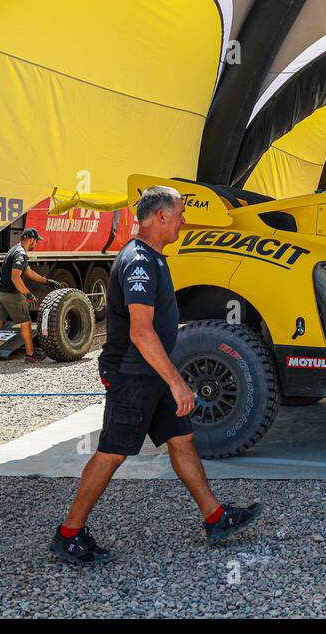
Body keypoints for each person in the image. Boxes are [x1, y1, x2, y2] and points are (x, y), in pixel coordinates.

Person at [51, 186, 261, 565]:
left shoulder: (155, 258)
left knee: (182, 439)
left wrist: (169, 378)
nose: (184, 219)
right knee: (112, 453)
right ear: (161, 216)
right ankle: (69, 533)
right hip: (132, 375)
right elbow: (140, 331)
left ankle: (215, 517)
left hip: (154, 372)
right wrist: (177, 381)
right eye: (180, 213)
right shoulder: (140, 262)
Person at [0, 227, 60, 363]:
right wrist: (27, 293)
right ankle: (30, 355)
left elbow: (29, 272)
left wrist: (46, 281)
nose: (36, 244)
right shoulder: (21, 254)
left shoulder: (14, 249)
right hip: (10, 293)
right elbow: (15, 277)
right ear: (30, 239)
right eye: (36, 241)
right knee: (25, 323)